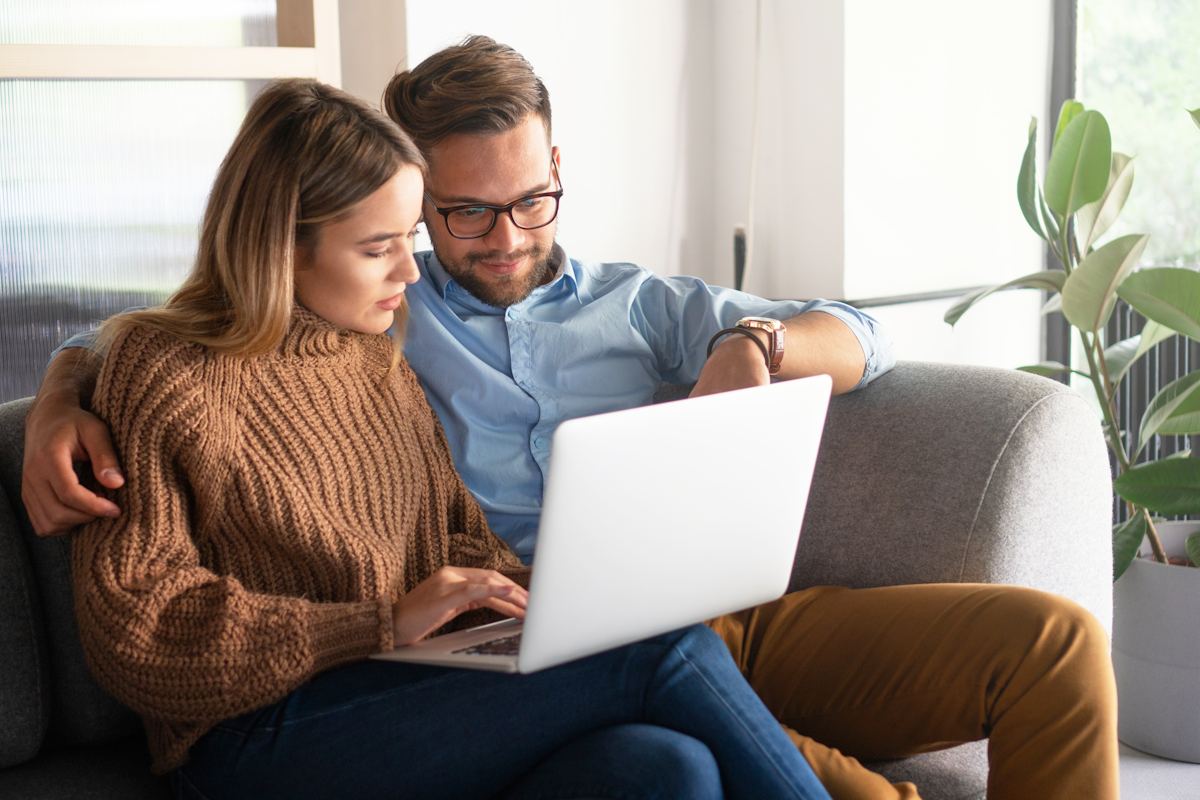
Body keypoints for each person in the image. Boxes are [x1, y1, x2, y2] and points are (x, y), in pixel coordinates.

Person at [25, 37, 1118, 800]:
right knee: (659, 661)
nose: (492, 239)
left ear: (558, 170)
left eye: (528, 200)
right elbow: (168, 369)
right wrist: (63, 394)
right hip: (408, 690)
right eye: (444, 220)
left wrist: (756, 347)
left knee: (686, 766)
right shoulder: (363, 334)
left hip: (618, 628)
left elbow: (856, 334)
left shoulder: (577, 315)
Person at [66, 77, 834, 800]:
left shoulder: (371, 352)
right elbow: (140, 630)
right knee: (664, 650)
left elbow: (456, 543)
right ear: (281, 245)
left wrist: (554, 599)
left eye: (410, 235)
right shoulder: (166, 372)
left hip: (400, 692)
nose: (410, 269)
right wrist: (374, 624)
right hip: (251, 737)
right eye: (378, 248)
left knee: (666, 767)